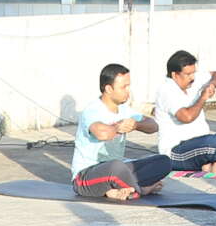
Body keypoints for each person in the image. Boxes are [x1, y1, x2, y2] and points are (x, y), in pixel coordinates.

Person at [71, 64, 176, 200]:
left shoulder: (124, 110)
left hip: (117, 169)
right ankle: (141, 190)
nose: (128, 91)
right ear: (108, 89)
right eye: (123, 87)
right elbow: (101, 133)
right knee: (116, 167)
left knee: (164, 162)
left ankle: (117, 189)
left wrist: (136, 125)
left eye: (128, 86)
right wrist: (117, 128)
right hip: (86, 176)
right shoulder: (92, 110)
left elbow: (154, 126)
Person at [154, 49, 216, 177]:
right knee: (211, 144)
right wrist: (203, 97)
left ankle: (214, 163)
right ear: (175, 75)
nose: (192, 78)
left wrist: (212, 84)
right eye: (188, 74)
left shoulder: (193, 79)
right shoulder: (166, 90)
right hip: (176, 151)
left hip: (201, 143)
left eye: (193, 73)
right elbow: (187, 117)